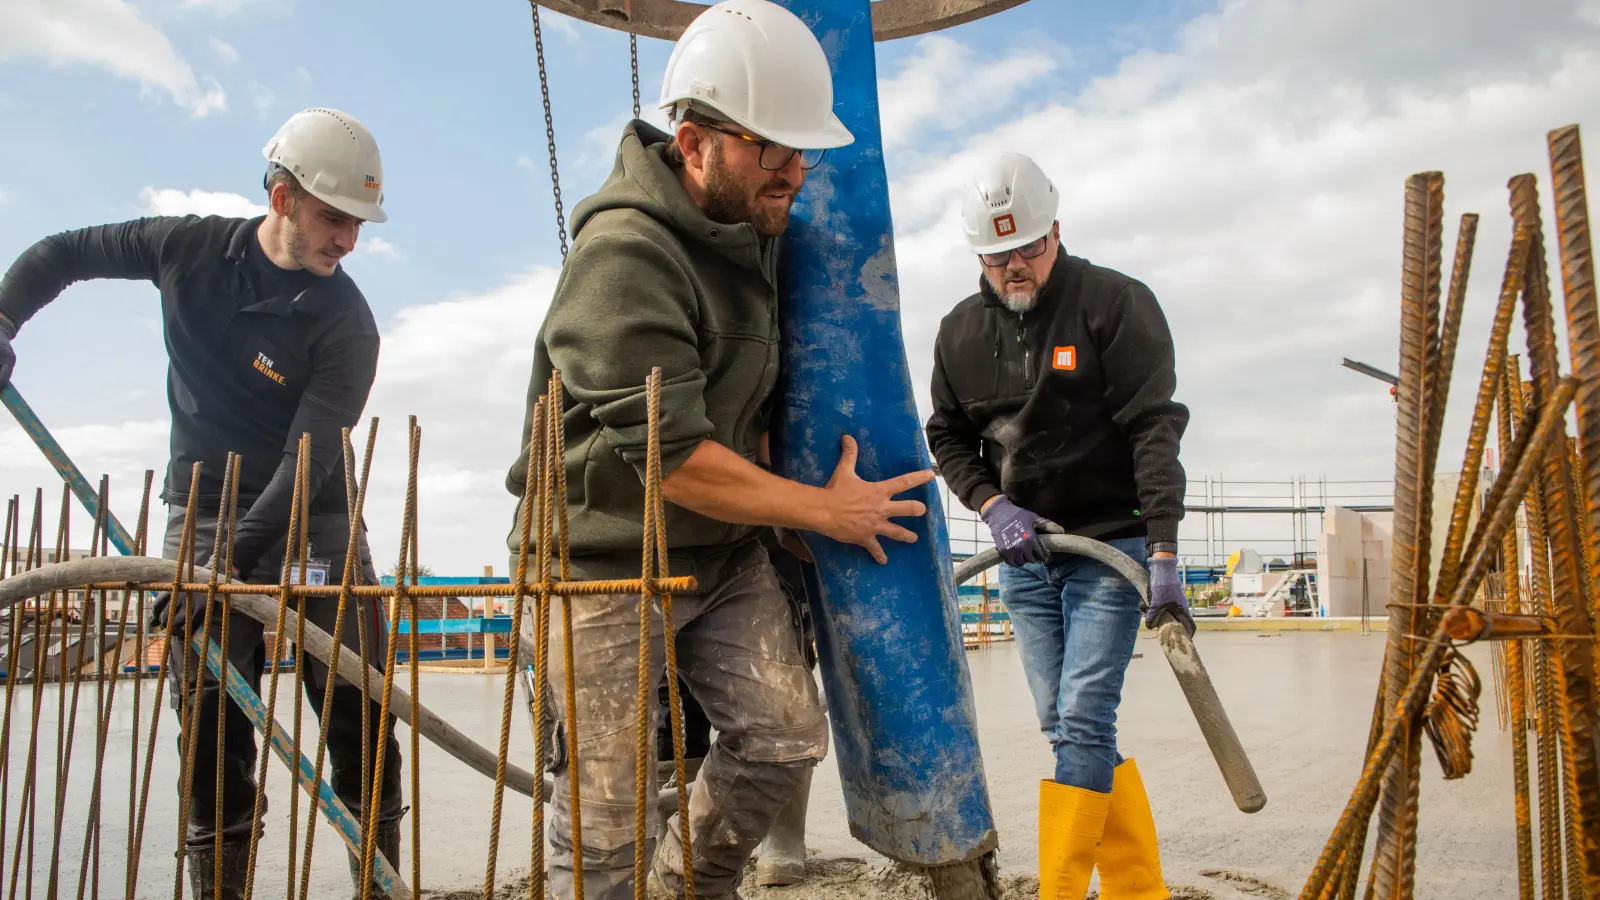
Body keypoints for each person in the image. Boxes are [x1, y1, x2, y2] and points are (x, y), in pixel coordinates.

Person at [502, 1, 932, 897]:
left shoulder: (761, 230)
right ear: (693, 142)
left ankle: (681, 888)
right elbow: (674, 458)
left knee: (783, 737)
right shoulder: (624, 255)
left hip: (721, 553)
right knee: (603, 818)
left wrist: (788, 505)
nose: (792, 173)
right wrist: (822, 511)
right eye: (767, 149)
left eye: (799, 151)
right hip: (598, 564)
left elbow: (755, 403)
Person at [0, 107, 403, 900]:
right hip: (204, 510)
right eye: (333, 219)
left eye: (357, 225)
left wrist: (231, 566)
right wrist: (5, 313)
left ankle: (376, 883)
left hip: (310, 520)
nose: (347, 241)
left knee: (358, 713)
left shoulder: (347, 323)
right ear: (282, 198)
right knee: (214, 728)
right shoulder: (186, 248)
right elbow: (61, 254)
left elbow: (308, 460)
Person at [924, 150, 1194, 900]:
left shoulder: (1114, 304)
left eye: (1030, 249)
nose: (1017, 267)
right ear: (979, 254)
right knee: (1064, 723)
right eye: (999, 255)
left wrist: (1164, 555)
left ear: (1057, 233)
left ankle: (1063, 891)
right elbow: (946, 436)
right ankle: (1138, 888)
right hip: (1025, 554)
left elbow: (1153, 430)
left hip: (1110, 548)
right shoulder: (959, 335)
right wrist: (992, 506)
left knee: (1080, 717)